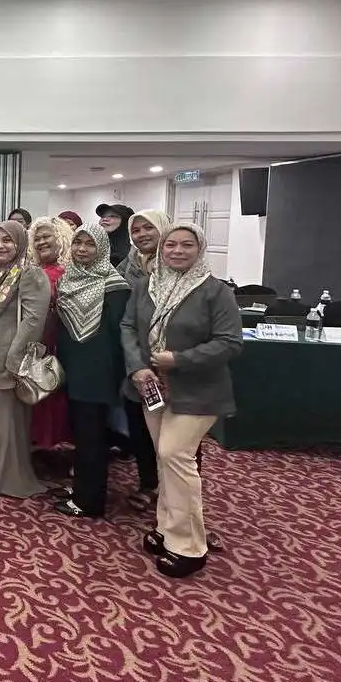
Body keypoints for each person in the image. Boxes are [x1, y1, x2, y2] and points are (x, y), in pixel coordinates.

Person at [121, 223, 242, 578]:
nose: (177, 251)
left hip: (198, 390)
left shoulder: (215, 292)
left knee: (175, 454)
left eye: (186, 245)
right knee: (165, 459)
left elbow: (230, 343)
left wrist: (179, 359)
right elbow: (128, 327)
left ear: (199, 249)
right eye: (170, 244)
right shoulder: (146, 285)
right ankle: (167, 527)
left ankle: (189, 547)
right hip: (152, 386)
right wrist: (137, 367)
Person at [53, 224, 131, 519]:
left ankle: (90, 501)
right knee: (80, 434)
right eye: (78, 243)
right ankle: (81, 488)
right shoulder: (70, 278)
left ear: (102, 249)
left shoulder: (115, 285)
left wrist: (113, 375)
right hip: (73, 367)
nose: (82, 249)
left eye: (90, 244)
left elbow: (119, 335)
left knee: (92, 437)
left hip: (98, 371)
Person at [0, 220, 49, 498]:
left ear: (20, 244)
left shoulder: (30, 274)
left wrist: (14, 358)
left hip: (8, 360)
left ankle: (10, 480)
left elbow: (33, 320)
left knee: (5, 424)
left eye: (7, 240)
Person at [117, 209, 173, 510]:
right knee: (139, 429)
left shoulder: (180, 269)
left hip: (172, 367)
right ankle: (149, 483)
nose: (141, 235)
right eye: (136, 230)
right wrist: (136, 365)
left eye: (148, 228)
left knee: (175, 438)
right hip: (136, 365)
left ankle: (176, 494)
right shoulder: (129, 267)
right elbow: (126, 323)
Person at [26, 218, 72, 455]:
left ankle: (56, 450)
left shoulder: (68, 273)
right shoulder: (33, 271)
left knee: (55, 397)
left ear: (60, 239)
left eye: (47, 237)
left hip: (58, 346)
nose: (42, 242)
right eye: (37, 239)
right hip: (32, 346)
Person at [96, 203, 134, 267]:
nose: (104, 219)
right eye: (102, 216)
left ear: (125, 221)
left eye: (112, 216)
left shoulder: (133, 255)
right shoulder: (93, 248)